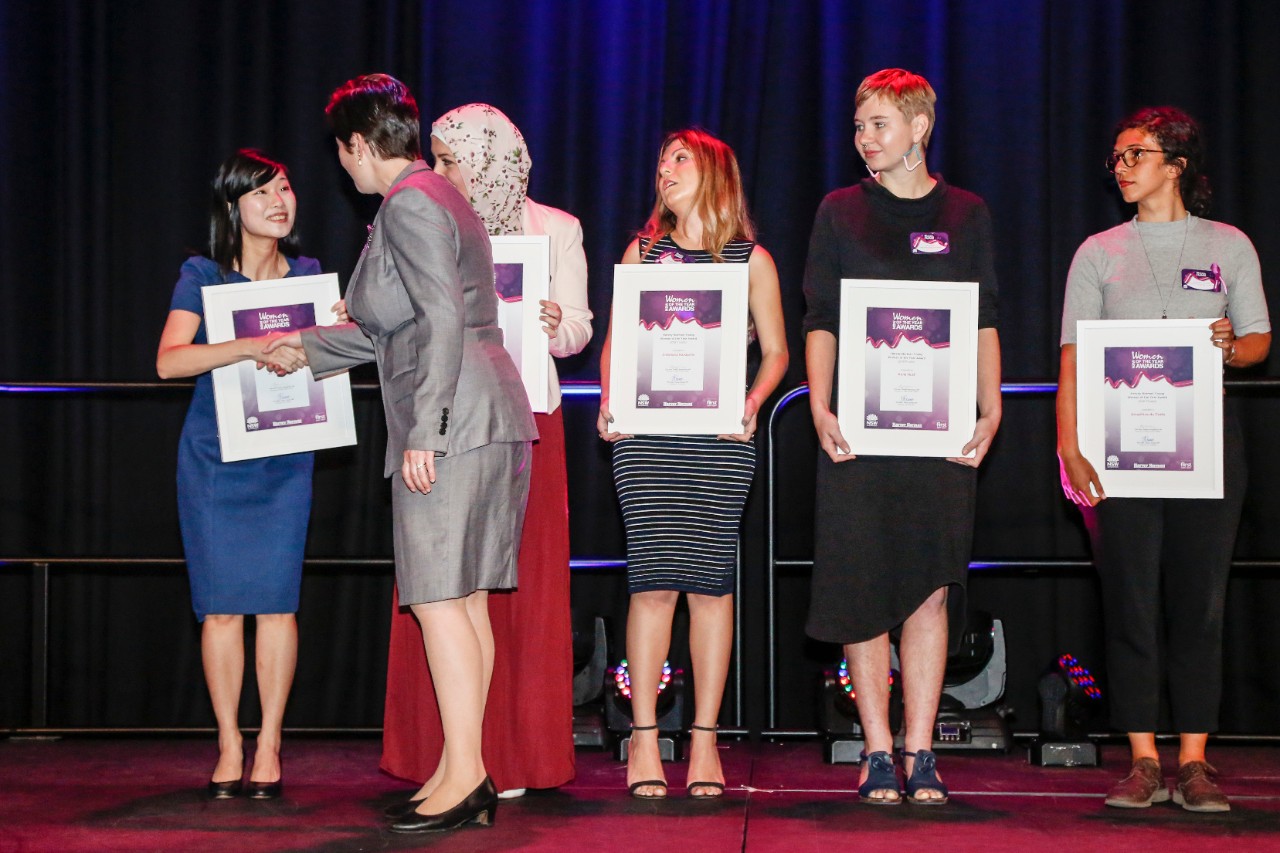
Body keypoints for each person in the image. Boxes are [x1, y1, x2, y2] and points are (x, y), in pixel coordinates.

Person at [267, 74, 537, 833]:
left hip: (453, 414)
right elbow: (404, 322)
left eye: (341, 152)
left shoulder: (411, 202)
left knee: (436, 597)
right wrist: (309, 348)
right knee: (465, 598)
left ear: (359, 144)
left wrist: (426, 429)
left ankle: (468, 774)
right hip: (486, 409)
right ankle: (463, 768)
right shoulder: (441, 196)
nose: (342, 167)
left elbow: (443, 318)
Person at [1056, 106, 1270, 813]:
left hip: (1209, 450)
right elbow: (1073, 359)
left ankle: (1197, 759)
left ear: (1175, 164)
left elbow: (1258, 342)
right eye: (1115, 157)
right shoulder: (1097, 251)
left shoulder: (1229, 244)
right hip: (1121, 456)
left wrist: (1229, 346)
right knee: (1132, 603)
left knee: (1200, 606)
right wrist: (1069, 444)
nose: (1120, 167)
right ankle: (1145, 759)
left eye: (1135, 154)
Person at [379, 103, 591, 800]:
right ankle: (448, 757)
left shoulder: (555, 227)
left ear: (489, 158)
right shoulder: (431, 217)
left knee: (516, 594)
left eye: (449, 160)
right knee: (446, 586)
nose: (439, 172)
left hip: (529, 416)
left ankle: (515, 756)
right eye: (435, 160)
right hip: (451, 417)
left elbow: (580, 333)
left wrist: (559, 323)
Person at [802, 68, 1002, 806]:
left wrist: (991, 409)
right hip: (860, 428)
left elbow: (983, 317)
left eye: (879, 124)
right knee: (861, 588)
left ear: (920, 127)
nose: (865, 139)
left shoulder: (968, 212)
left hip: (938, 431)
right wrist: (820, 407)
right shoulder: (839, 212)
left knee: (926, 591)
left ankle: (923, 751)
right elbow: (820, 317)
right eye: (858, 126)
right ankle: (877, 750)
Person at [598, 128, 789, 799]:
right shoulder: (643, 253)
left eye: (679, 158)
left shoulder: (750, 259)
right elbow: (618, 342)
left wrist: (754, 400)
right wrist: (610, 401)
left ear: (714, 171)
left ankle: (706, 738)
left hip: (718, 441)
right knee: (651, 582)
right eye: (660, 161)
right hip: (648, 438)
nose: (664, 169)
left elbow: (776, 352)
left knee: (711, 584)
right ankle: (644, 738)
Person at [156, 148, 318, 800]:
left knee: (277, 605)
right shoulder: (202, 274)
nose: (279, 201)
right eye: (263, 192)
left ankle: (271, 742)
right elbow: (169, 361)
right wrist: (251, 346)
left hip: (285, 456)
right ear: (234, 206)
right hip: (214, 459)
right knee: (220, 609)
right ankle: (228, 740)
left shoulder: (309, 278)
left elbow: (340, 360)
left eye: (284, 188)